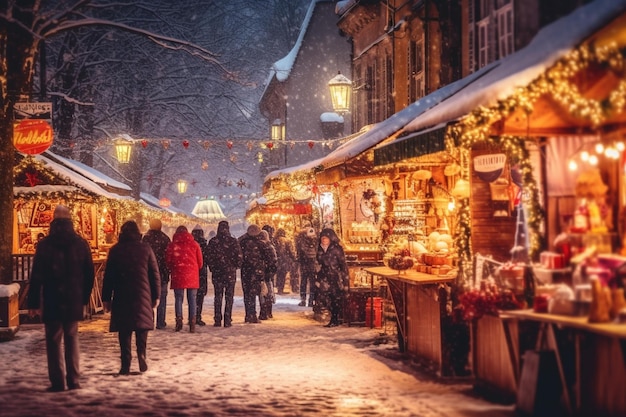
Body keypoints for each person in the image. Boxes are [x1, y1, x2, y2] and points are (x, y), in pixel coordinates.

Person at [27, 204, 95, 392]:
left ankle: (57, 382)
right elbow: (89, 273)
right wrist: (84, 297)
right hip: (73, 298)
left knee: (53, 340)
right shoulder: (80, 243)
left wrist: (33, 302)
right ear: (70, 220)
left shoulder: (45, 245)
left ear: (53, 219)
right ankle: (74, 379)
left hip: (52, 298)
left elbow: (37, 276)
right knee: (72, 338)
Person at [102, 220, 160, 375]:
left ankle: (125, 363)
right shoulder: (145, 249)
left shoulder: (115, 250)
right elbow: (154, 275)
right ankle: (141, 353)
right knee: (141, 328)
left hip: (122, 295)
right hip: (142, 294)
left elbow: (108, 277)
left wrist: (106, 298)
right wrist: (156, 296)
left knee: (124, 330)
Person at [166, 225, 203, 332]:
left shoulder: (172, 245)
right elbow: (200, 262)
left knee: (179, 299)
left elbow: (168, 261)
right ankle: (192, 322)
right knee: (192, 299)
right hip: (192, 275)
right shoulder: (195, 244)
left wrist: (174, 267)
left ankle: (179, 321)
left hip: (178, 273)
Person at [206, 221, 242, 327]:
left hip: (217, 273)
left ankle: (217, 319)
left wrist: (213, 267)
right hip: (230, 273)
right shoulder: (233, 241)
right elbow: (239, 257)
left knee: (218, 296)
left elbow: (208, 257)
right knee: (229, 296)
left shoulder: (213, 241)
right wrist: (234, 266)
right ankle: (227, 318)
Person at [317, 228, 349, 327]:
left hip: (335, 277)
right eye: (323, 238)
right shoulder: (320, 249)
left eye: (326, 238)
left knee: (334, 298)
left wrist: (344, 280)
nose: (324, 240)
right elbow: (318, 263)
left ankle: (335, 319)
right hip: (325, 277)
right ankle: (334, 318)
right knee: (326, 299)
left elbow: (343, 264)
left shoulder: (336, 249)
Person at [142, 218, 171, 329]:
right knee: (162, 297)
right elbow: (168, 257)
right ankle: (160, 321)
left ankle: (149, 319)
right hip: (162, 273)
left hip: (148, 273)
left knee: (148, 297)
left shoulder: (146, 238)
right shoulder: (165, 239)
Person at [239, 224, 268, 323]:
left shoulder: (242, 241)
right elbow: (267, 257)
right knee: (254, 293)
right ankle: (253, 315)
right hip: (257, 271)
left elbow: (238, 255)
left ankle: (248, 314)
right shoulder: (261, 243)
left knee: (247, 293)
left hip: (245, 271)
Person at [296, 226, 319, 307]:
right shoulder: (315, 242)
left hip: (304, 265)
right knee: (312, 283)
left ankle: (303, 300)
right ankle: (311, 300)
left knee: (304, 282)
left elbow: (300, 254)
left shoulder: (301, 242)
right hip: (312, 265)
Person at [191, 225, 210, 326]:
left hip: (191, 272)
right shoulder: (204, 244)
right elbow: (207, 258)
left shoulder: (190, 244)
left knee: (192, 296)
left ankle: (192, 316)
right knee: (200, 295)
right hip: (202, 272)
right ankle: (197, 316)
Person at [258, 230, 278, 320]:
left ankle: (263, 311)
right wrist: (271, 271)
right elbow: (274, 261)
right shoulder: (270, 247)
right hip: (268, 274)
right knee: (269, 292)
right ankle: (269, 311)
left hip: (260, 273)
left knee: (262, 293)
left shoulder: (257, 246)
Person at [273, 228, 296, 295]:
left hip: (277, 260)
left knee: (278, 274)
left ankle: (278, 287)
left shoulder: (275, 240)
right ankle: (281, 288)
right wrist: (294, 258)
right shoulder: (287, 241)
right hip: (285, 260)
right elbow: (291, 251)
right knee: (283, 275)